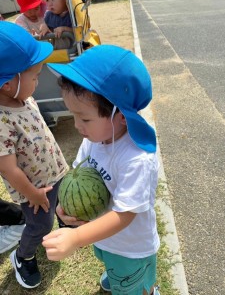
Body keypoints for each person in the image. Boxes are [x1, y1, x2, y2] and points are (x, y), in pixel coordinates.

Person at [43, 45, 161, 295]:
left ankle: (146, 289)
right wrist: (66, 207)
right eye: (74, 116)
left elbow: (125, 215)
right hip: (105, 238)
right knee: (109, 261)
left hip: (131, 248)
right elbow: (78, 173)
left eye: (84, 119)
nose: (76, 126)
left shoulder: (136, 159)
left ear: (120, 116)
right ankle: (114, 271)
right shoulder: (93, 140)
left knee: (135, 286)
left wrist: (76, 237)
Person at [0, 21, 69, 289]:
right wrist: (31, 195)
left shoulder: (24, 97)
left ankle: (65, 225)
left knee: (62, 204)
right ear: (7, 84)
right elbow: (8, 169)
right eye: (35, 76)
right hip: (33, 189)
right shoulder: (2, 120)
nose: (38, 82)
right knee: (40, 225)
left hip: (55, 170)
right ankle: (24, 256)